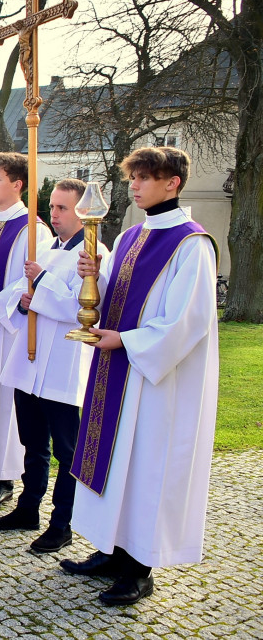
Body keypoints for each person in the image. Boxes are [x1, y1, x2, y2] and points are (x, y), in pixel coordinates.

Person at [61, 147, 218, 606]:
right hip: (117, 369)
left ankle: (138, 569)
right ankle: (110, 550)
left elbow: (186, 321)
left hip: (155, 381)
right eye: (133, 177)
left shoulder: (191, 244)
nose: (134, 185)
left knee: (145, 467)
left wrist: (126, 341)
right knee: (113, 464)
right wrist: (94, 278)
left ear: (173, 182)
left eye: (145, 177)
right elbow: (117, 295)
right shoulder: (131, 236)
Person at [0, 179, 110, 553]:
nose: (54, 214)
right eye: (53, 206)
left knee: (67, 449)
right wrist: (23, 301)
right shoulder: (42, 248)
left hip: (64, 363)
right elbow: (18, 294)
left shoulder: (93, 255)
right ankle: (28, 508)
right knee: (32, 442)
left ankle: (62, 523)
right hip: (30, 362)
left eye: (63, 208)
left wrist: (40, 283)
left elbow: (82, 309)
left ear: (82, 213)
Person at [0, 152, 51, 507]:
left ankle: (4, 476)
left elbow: (30, 280)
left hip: (7, 330)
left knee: (4, 404)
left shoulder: (32, 229)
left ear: (18, 184)